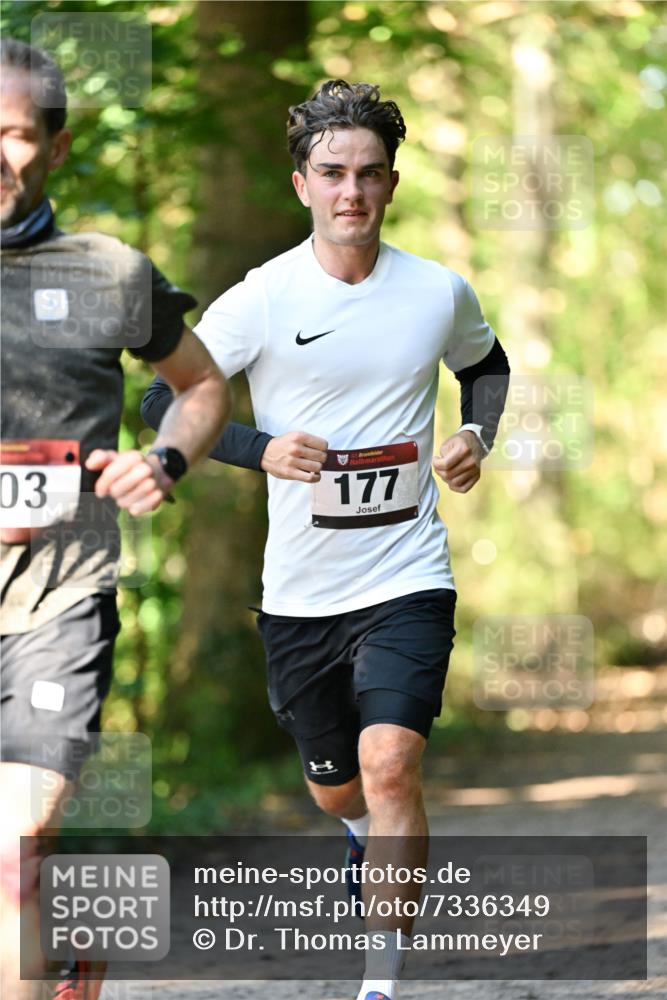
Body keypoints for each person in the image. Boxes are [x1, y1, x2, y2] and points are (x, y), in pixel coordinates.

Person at [143, 79, 510, 1000]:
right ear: (302, 182)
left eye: (370, 175)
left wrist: (475, 435)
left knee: (392, 765)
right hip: (300, 594)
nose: (352, 192)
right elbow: (163, 399)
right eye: (333, 173)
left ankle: (379, 984)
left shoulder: (436, 290)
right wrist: (258, 449)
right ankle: (350, 831)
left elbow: (487, 366)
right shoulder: (263, 297)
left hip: (408, 573)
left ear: (392, 184)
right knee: (338, 788)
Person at [0, 39, 231, 1000]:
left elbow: (204, 384)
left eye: (16, 133)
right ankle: (57, 964)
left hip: (60, 601)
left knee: (13, 842)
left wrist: (164, 457)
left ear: (53, 149)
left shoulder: (107, 274)